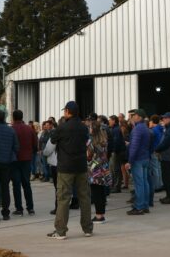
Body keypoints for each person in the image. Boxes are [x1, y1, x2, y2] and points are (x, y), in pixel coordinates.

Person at [48, 101, 92, 240]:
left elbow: (53, 141)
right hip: (81, 166)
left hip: (65, 167)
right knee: (84, 197)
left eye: (64, 111)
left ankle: (61, 231)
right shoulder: (84, 128)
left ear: (67, 111)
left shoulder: (62, 127)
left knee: (63, 198)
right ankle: (87, 228)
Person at [11, 109, 38, 216]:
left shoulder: (12, 129)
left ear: (13, 117)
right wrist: (31, 153)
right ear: (22, 117)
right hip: (27, 160)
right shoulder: (29, 129)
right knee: (26, 184)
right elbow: (35, 145)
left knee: (16, 184)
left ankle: (19, 208)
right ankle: (30, 208)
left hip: (15, 160)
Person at [125, 108, 151, 215]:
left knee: (139, 184)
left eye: (134, 115)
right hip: (145, 158)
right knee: (144, 183)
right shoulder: (145, 127)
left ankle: (139, 206)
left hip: (138, 159)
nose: (132, 117)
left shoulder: (137, 129)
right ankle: (145, 205)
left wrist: (130, 161)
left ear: (139, 117)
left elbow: (135, 146)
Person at [87, 120, 112, 224]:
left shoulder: (91, 142)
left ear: (93, 129)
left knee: (96, 193)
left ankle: (98, 216)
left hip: (95, 170)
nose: (89, 129)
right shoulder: (104, 141)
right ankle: (101, 214)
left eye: (90, 127)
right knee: (102, 193)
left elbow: (88, 157)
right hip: (103, 168)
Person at [155, 112, 170, 204]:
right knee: (166, 177)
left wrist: (156, 149)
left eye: (165, 118)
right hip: (167, 155)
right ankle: (169, 196)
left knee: (168, 178)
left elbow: (166, 143)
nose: (163, 120)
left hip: (169, 156)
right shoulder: (169, 129)